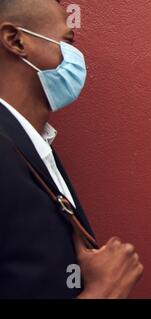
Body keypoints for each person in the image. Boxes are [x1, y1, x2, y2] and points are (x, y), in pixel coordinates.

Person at [0, 0, 143, 298]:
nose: (76, 57)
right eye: (67, 41)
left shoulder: (30, 148)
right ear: (16, 40)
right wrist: (104, 291)